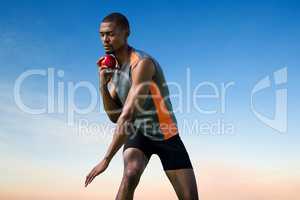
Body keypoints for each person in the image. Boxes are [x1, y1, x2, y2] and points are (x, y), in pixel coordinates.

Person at [85, 12, 199, 200]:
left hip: (166, 133)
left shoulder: (141, 64)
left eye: (111, 34)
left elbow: (127, 115)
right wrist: (103, 85)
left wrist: (106, 160)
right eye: (102, 34)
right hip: (138, 133)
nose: (105, 39)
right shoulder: (115, 70)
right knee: (130, 173)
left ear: (126, 33)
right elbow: (114, 116)